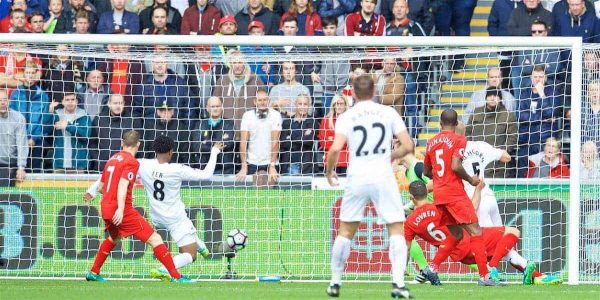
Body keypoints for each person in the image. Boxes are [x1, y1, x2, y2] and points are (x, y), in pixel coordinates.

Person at [85, 135, 223, 280]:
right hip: (176, 219)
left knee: (114, 237)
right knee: (190, 254)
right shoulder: (178, 169)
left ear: (155, 150)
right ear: (171, 152)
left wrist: (92, 190)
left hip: (156, 217)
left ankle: (94, 271)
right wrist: (214, 151)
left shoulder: (143, 164)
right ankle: (167, 270)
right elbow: (206, 175)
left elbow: (113, 172)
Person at [324, 74, 414, 298]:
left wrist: (329, 171)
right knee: (395, 228)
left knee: (345, 230)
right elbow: (409, 144)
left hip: (357, 176)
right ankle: (398, 284)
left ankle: (335, 282)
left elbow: (335, 149)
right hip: (382, 175)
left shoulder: (348, 115)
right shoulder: (388, 112)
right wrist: (389, 155)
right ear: (374, 92)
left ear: (352, 93)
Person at [404, 181, 539, 286]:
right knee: (512, 232)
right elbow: (472, 209)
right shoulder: (440, 208)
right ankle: (492, 268)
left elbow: (407, 249)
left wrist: (402, 268)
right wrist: (478, 189)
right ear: (426, 192)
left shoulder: (409, 222)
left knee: (503, 247)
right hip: (471, 242)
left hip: (459, 255)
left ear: (411, 197)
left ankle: (532, 272)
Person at [423, 109, 502, 286]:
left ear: (439, 123)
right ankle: (484, 276)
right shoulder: (459, 139)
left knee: (457, 234)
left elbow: (426, 171)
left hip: (439, 195)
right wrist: (471, 179)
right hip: (454, 193)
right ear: (457, 123)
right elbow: (456, 165)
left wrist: (439, 179)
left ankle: (432, 268)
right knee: (476, 231)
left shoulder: (431, 142)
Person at [466, 88, 518, 178]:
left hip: (497, 162)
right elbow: (468, 133)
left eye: (496, 96)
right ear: (486, 98)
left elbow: (512, 137)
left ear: (500, 98)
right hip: (476, 158)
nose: (492, 98)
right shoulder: (476, 112)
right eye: (490, 95)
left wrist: (501, 153)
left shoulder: (508, 115)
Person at [236, 89, 282, 183]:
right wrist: (244, 166)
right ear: (254, 101)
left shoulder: (276, 115)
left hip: (270, 162)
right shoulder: (247, 116)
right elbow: (243, 142)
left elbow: (275, 141)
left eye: (265, 100)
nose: (262, 102)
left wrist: (272, 166)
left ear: (268, 101)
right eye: (259, 100)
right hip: (252, 162)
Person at [44, 92, 92, 173]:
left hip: (78, 163)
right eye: (67, 100)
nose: (70, 102)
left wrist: (68, 126)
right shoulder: (57, 114)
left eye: (72, 100)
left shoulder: (84, 115)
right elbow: (46, 129)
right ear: (62, 102)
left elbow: (85, 135)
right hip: (59, 163)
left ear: (77, 101)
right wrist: (50, 112)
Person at [90, 94, 139, 171]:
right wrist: (98, 161)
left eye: (120, 103)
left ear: (124, 104)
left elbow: (137, 144)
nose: (118, 106)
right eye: (115, 103)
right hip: (103, 166)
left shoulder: (132, 120)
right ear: (109, 104)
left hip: (124, 167)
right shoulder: (99, 119)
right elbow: (92, 143)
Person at [190, 96, 236, 174]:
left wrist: (206, 142)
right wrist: (216, 145)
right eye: (212, 106)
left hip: (224, 169)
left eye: (217, 106)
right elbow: (196, 146)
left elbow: (228, 143)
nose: (215, 109)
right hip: (204, 169)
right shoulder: (199, 124)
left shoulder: (229, 124)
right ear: (207, 108)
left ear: (221, 107)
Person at [279, 94, 319, 175]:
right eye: (300, 104)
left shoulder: (313, 122)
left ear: (309, 106)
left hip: (307, 167)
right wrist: (301, 136)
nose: (303, 107)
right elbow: (284, 144)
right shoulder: (287, 123)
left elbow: (307, 141)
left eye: (305, 104)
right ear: (295, 104)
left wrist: (290, 137)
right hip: (288, 166)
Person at [0, 88, 28, 187]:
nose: (3, 103)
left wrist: (21, 167)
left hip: (9, 165)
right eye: (0, 100)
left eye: (5, 100)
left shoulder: (18, 118)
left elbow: (22, 144)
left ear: (9, 101)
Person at [319, 94, 350, 175]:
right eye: (337, 104)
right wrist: (342, 140)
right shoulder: (325, 120)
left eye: (341, 104)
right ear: (333, 105)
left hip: (347, 161)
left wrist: (332, 139)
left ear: (345, 105)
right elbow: (324, 144)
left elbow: (352, 143)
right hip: (330, 160)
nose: (339, 106)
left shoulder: (351, 121)